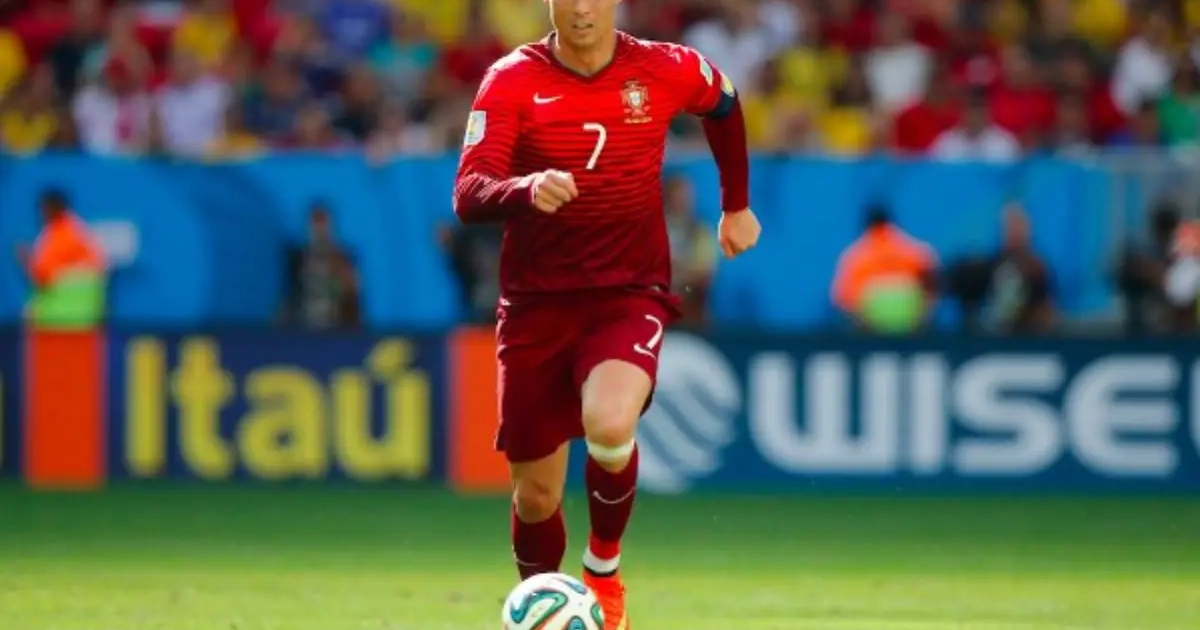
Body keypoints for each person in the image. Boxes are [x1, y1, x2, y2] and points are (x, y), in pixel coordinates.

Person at [451, 0, 761, 627]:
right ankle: (546, 608)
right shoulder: (511, 80)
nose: (582, 8)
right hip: (536, 305)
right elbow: (469, 192)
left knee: (611, 424)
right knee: (535, 496)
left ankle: (602, 569)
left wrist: (736, 205)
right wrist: (524, 188)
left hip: (627, 291)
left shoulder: (665, 67)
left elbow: (724, 105)